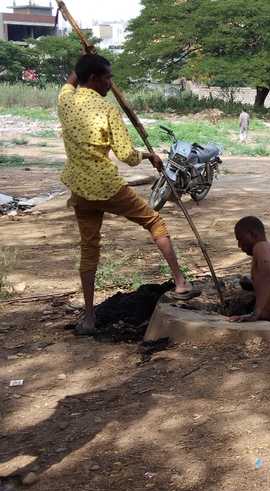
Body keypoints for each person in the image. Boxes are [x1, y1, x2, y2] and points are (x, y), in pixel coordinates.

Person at [58, 54, 198, 335]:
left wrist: (85, 60)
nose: (111, 83)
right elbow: (126, 156)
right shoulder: (106, 109)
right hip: (105, 186)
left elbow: (72, 80)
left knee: (89, 249)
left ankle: (89, 318)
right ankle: (181, 283)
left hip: (79, 189)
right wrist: (147, 155)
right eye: (107, 77)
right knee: (155, 222)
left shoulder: (65, 99)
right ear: (95, 78)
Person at [229, 216, 270, 322]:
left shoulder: (260, 247)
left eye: (240, 239)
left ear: (253, 234)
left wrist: (256, 313)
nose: (239, 245)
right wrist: (254, 285)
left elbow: (268, 275)